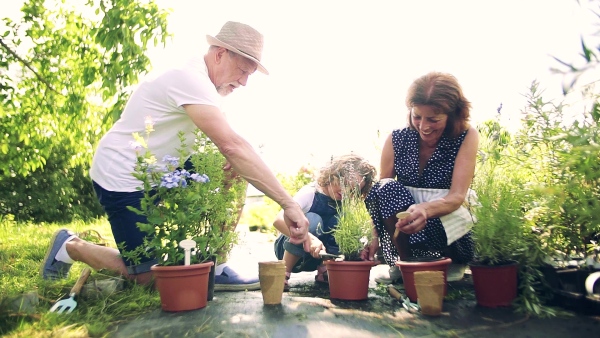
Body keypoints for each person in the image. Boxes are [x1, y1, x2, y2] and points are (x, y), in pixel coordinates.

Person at [40, 21, 311, 290]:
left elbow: (234, 150)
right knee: (149, 278)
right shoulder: (189, 78)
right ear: (219, 54)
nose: (243, 82)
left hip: (164, 171)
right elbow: (231, 145)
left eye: (249, 75)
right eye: (242, 71)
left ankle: (216, 267)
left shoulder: (207, 85)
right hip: (123, 178)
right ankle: (70, 245)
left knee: (230, 168)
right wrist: (289, 203)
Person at [365, 71, 479, 284]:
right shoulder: (397, 138)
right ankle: (408, 262)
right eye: (417, 116)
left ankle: (448, 260)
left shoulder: (466, 136)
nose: (424, 126)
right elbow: (381, 195)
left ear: (453, 115)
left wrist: (425, 210)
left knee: (453, 211)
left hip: (445, 216)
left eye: (433, 119)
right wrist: (374, 235)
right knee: (385, 187)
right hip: (406, 224)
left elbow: (457, 196)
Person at [273, 154, 377, 290]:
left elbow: (364, 224)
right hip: (290, 250)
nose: (346, 192)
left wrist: (362, 247)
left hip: (316, 256)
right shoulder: (310, 193)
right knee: (313, 219)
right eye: (344, 184)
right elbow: (278, 220)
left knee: (342, 222)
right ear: (332, 175)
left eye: (353, 190)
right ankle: (283, 273)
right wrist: (307, 238)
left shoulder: (345, 202)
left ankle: (325, 270)